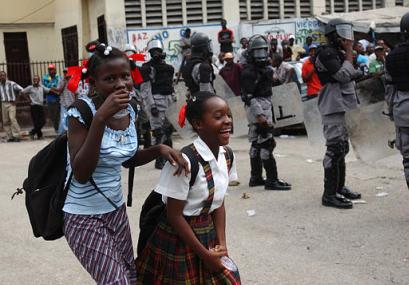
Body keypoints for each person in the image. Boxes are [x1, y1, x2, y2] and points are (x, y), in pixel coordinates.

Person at [63, 41, 188, 284]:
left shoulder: (130, 109)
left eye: (125, 77)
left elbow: (127, 159)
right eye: (110, 79)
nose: (121, 84)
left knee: (131, 276)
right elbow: (81, 172)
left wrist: (159, 149)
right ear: (94, 83)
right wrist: (100, 118)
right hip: (83, 215)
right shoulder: (82, 113)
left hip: (115, 210)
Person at [136, 92, 241, 284]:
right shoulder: (184, 162)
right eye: (218, 117)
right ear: (198, 124)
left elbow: (218, 204)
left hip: (206, 231)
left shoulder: (226, 156)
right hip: (179, 239)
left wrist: (222, 244)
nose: (227, 121)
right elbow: (174, 215)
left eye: (228, 115)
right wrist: (204, 255)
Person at [314, 18, 363, 209]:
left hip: (344, 104)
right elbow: (342, 75)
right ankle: (329, 194)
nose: (346, 38)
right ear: (333, 35)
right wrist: (350, 52)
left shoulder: (337, 53)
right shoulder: (327, 53)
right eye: (341, 33)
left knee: (342, 148)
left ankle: (339, 188)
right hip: (333, 105)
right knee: (334, 149)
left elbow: (351, 74)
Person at [240, 35, 291, 191]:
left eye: (263, 51)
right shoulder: (249, 71)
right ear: (250, 53)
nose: (261, 56)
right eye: (257, 52)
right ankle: (271, 180)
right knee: (267, 143)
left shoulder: (264, 69)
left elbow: (275, 81)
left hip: (261, 106)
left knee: (256, 143)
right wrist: (260, 115)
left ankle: (255, 177)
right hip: (258, 108)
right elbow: (248, 96)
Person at [140, 39, 176, 169]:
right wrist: (151, 105)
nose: (156, 53)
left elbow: (171, 85)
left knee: (169, 129)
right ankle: (159, 159)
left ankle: (170, 156)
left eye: (158, 51)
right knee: (158, 131)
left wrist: (174, 98)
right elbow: (145, 89)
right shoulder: (147, 68)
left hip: (169, 99)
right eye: (154, 51)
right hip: (156, 100)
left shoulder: (168, 68)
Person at [385, 12, 409, 189]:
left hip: (404, 111)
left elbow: (390, 89)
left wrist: (392, 113)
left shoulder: (392, 56)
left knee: (408, 160)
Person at [21, 75, 51, 139]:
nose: (35, 81)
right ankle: (39, 135)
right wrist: (28, 99)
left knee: (43, 121)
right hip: (34, 106)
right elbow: (22, 92)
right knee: (36, 122)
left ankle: (32, 132)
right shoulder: (30, 87)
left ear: (39, 80)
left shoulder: (41, 87)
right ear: (33, 80)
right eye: (34, 79)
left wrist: (55, 89)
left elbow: (48, 90)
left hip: (40, 106)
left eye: (37, 79)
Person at [0, 71, 23, 142]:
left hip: (11, 103)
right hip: (3, 103)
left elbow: (21, 90)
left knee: (12, 118)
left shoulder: (11, 83)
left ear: (6, 76)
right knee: (5, 121)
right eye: (1, 76)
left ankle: (16, 135)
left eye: (3, 75)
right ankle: (10, 136)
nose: (2, 77)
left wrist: (16, 100)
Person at [56, 69, 76, 134]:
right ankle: (60, 135)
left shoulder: (73, 80)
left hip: (72, 103)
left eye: (67, 72)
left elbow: (76, 92)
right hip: (64, 103)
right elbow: (59, 91)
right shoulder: (61, 80)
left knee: (69, 120)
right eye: (64, 72)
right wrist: (64, 82)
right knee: (63, 119)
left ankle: (68, 134)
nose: (66, 74)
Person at [42, 64, 61, 132]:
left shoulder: (58, 77)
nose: (51, 71)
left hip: (57, 98)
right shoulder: (45, 78)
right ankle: (56, 127)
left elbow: (59, 87)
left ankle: (58, 128)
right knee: (52, 115)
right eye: (50, 69)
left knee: (57, 114)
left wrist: (52, 89)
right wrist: (53, 89)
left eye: (52, 69)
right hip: (49, 99)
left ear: (55, 70)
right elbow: (45, 87)